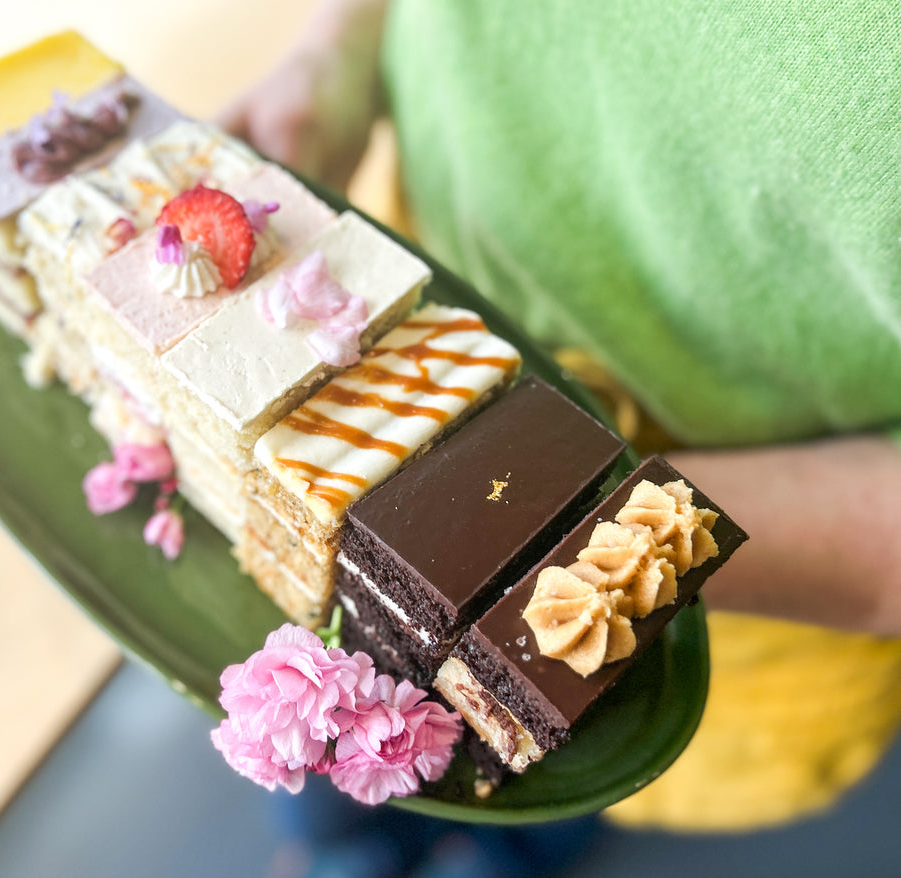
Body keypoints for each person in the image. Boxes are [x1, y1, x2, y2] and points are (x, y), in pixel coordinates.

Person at [219, 0, 901, 833]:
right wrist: (339, 45)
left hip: (726, 601)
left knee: (540, 810)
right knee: (322, 810)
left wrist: (600, 527)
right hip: (411, 337)